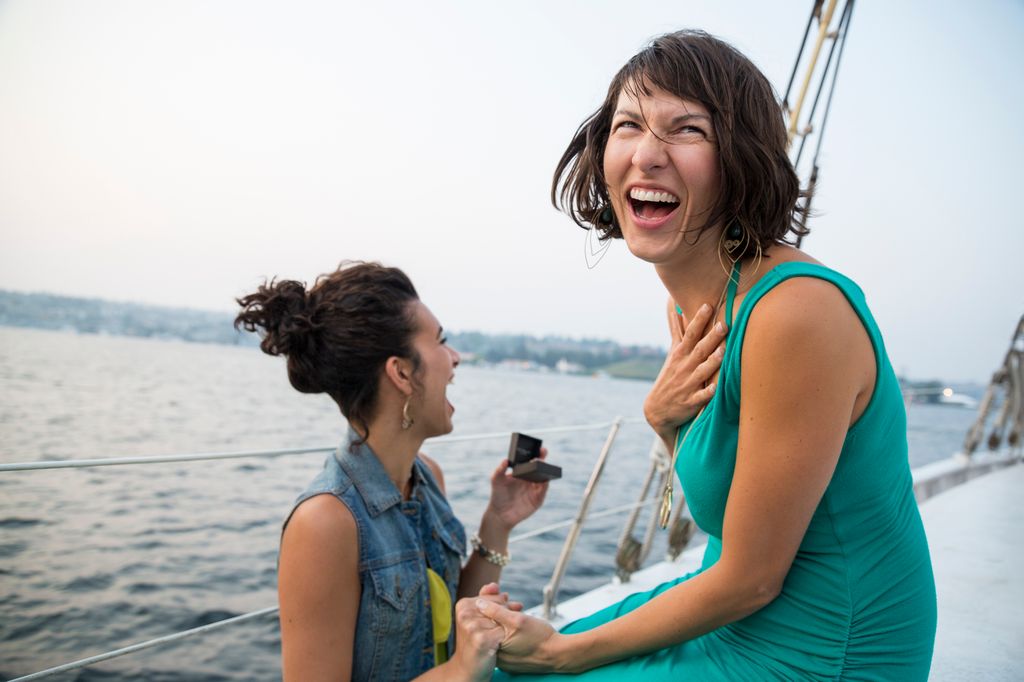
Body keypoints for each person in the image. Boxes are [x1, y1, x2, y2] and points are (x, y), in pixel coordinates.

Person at [475, 30, 937, 680]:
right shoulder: (693, 307)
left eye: (685, 130)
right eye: (629, 124)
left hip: (824, 647)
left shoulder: (792, 314)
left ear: (740, 158)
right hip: (740, 612)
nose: (647, 154)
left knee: (526, 667)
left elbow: (751, 577)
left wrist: (561, 652)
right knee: (497, 663)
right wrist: (664, 425)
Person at [235, 262, 550, 681]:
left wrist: (499, 522)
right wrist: (460, 669)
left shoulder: (428, 478)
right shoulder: (324, 524)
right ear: (401, 373)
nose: (454, 359)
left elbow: (450, 617)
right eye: (441, 342)